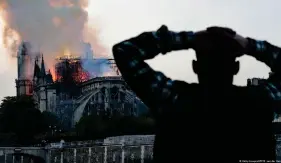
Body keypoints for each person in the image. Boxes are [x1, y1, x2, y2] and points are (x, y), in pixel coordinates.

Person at [112, 26, 279, 162]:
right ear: (236, 68)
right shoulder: (260, 100)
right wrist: (248, 45)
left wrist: (188, 39)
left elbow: (125, 51)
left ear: (195, 67)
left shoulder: (173, 99)